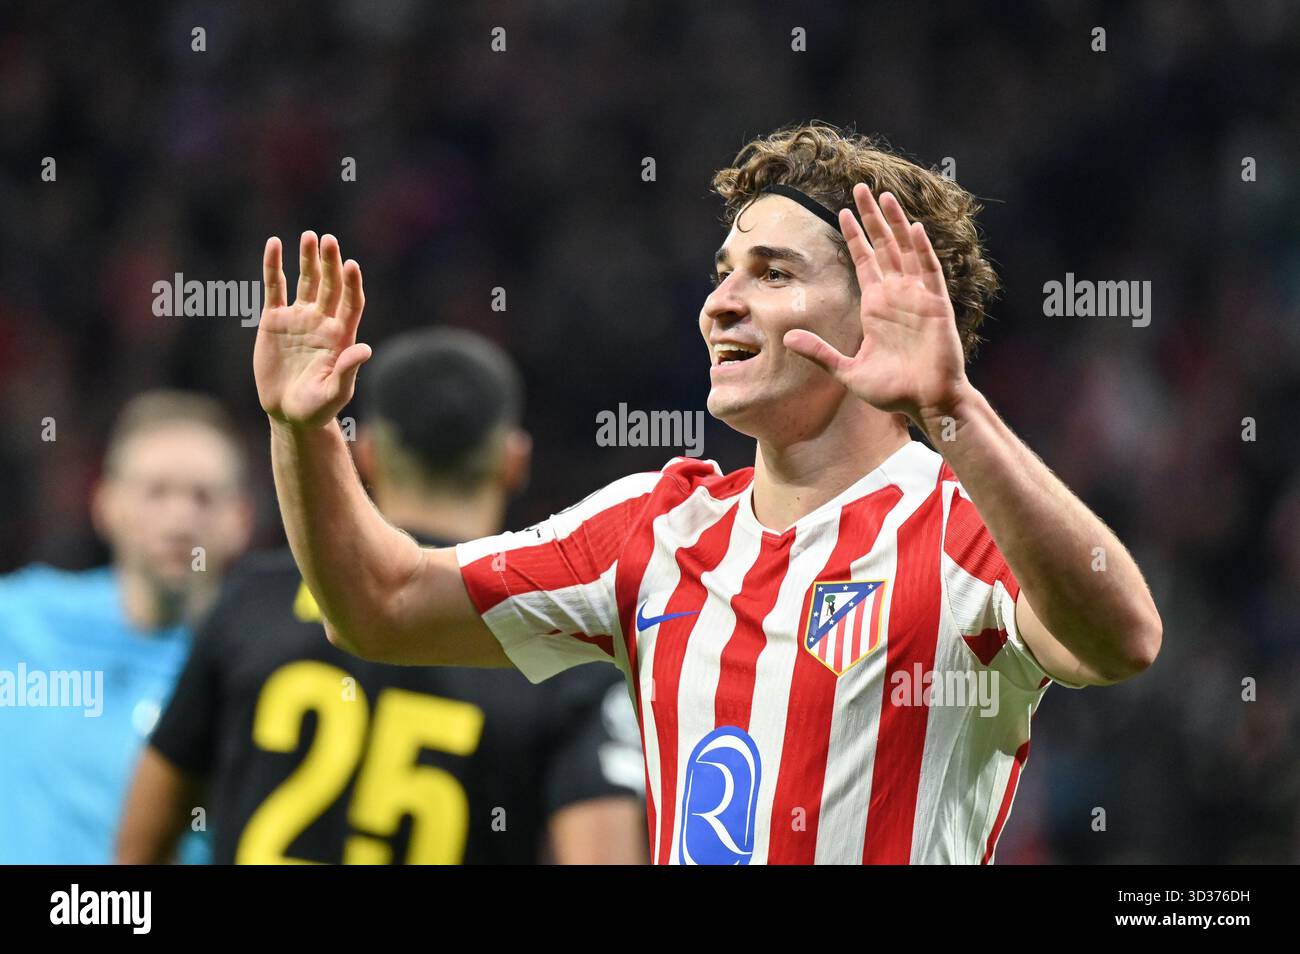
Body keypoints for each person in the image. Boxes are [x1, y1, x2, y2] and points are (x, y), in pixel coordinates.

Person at [249, 122, 1163, 864]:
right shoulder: (660, 525)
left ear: (882, 309)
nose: (720, 302)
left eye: (772, 274)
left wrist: (953, 409)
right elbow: (380, 603)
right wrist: (303, 430)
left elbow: (1124, 638)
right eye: (725, 270)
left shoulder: (962, 526)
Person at [118, 329, 646, 865]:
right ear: (513, 461)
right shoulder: (560, 646)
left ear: (364, 453)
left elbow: (141, 847)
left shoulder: (251, 602)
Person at [0, 391, 253, 863]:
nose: (180, 520)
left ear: (241, 519)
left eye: (203, 496)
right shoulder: (18, 621)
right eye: (155, 491)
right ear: (107, 503)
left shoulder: (252, 674)